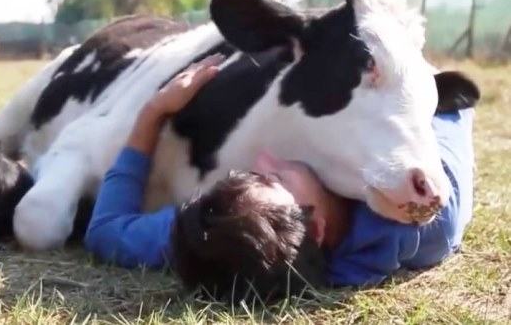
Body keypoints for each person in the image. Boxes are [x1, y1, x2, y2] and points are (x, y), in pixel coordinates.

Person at [84, 55, 475, 299]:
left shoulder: (224, 239)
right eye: (276, 180)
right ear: (316, 230)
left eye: (253, 173)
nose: (267, 158)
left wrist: (154, 111)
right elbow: (449, 112)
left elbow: (106, 231)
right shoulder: (422, 224)